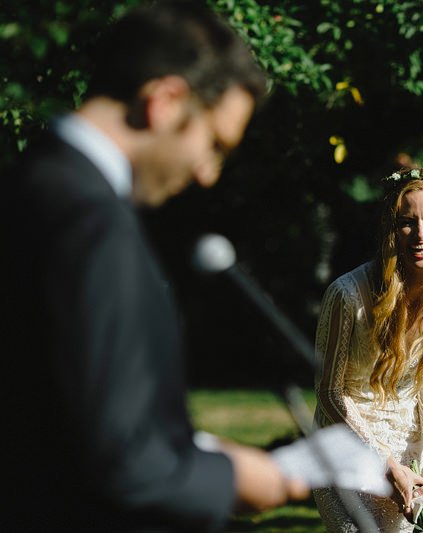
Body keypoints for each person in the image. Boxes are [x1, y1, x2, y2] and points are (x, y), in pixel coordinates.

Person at [1, 2, 310, 531]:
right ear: (166, 101)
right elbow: (119, 465)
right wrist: (238, 478)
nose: (208, 173)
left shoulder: (29, 185)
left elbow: (59, 412)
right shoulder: (91, 223)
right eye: (214, 143)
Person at [313, 169, 423, 532]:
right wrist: (385, 463)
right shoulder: (348, 296)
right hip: (347, 444)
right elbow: (329, 392)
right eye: (407, 223)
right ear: (391, 230)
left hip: (410, 445)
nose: (421, 234)